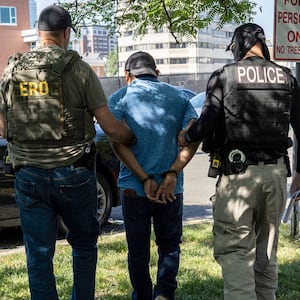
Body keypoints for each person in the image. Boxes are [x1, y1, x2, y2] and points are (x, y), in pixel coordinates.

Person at [0, 5, 135, 300]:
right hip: (73, 173)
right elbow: (110, 126)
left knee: (38, 255)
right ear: (66, 34)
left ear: (38, 33)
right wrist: (132, 136)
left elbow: (2, 128)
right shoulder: (78, 68)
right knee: (84, 246)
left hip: (29, 177)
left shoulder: (12, 70)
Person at [178, 23, 300, 300]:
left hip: (237, 177)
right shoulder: (287, 78)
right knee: (267, 251)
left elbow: (207, 124)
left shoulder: (224, 76)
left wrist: (186, 136)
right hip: (277, 175)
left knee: (235, 252)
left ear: (237, 47)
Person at [108, 51, 200, 300]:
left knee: (137, 250)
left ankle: (143, 295)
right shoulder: (179, 97)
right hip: (171, 189)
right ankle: (164, 294)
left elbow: (117, 142)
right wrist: (172, 173)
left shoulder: (121, 97)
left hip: (133, 188)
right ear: (156, 73)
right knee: (169, 245)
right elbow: (193, 138)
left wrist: (144, 178)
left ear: (128, 75)